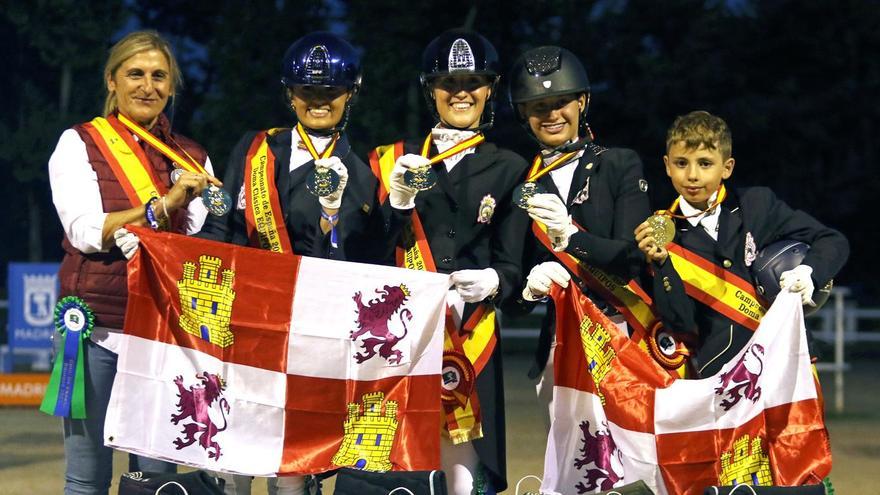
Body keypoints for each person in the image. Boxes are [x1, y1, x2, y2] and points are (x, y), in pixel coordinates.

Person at [196, 32, 378, 495]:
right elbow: (223, 231)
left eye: (331, 91)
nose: (318, 101)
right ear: (289, 94)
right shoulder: (254, 149)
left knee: (291, 473)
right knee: (232, 461)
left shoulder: (361, 172)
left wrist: (333, 219)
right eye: (307, 91)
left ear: (350, 93)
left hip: (311, 342)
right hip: (247, 330)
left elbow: (354, 267)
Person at [47, 30, 219, 495]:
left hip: (166, 337)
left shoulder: (193, 157)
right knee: (86, 479)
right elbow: (84, 229)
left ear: (172, 87)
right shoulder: (79, 142)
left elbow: (210, 245)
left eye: (159, 76)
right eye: (135, 74)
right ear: (112, 80)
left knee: (159, 483)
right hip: (97, 330)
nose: (147, 86)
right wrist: (159, 208)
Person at [368, 28, 529, 495]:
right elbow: (365, 254)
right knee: (400, 458)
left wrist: (496, 280)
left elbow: (514, 262)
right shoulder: (393, 160)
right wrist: (395, 201)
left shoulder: (512, 167)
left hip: (471, 333)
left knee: (467, 470)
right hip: (402, 332)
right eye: (448, 83)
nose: (461, 93)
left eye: (473, 82)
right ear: (430, 91)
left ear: (490, 90)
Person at [634, 110, 849, 377]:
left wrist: (809, 273)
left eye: (704, 163)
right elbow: (681, 323)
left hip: (787, 364)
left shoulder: (756, 205)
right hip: (724, 377)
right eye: (681, 163)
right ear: (667, 165)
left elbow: (832, 241)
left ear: (727, 167)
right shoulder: (664, 234)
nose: (692, 175)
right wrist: (662, 264)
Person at [504, 46, 653, 426]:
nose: (552, 114)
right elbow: (511, 295)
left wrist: (571, 237)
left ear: (582, 101)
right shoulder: (522, 185)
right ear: (524, 113)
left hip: (625, 337)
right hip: (561, 349)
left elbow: (632, 259)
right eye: (538, 105)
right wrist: (526, 291)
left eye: (561, 102)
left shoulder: (619, 163)